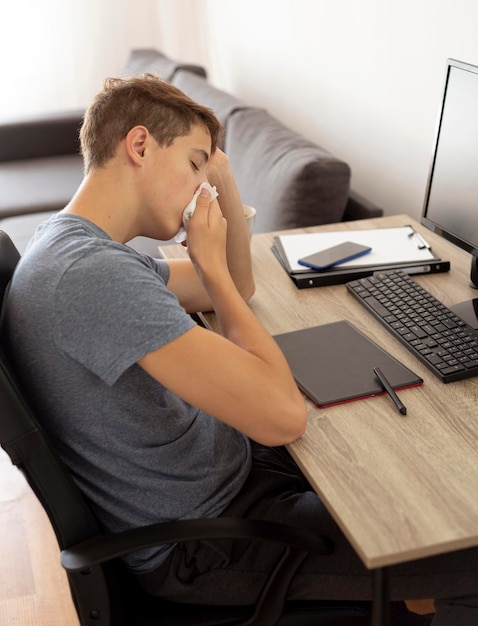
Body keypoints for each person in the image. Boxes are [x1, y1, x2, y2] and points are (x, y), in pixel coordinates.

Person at [2, 74, 478, 625]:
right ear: (139, 145)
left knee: (405, 457)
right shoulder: (92, 277)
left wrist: (216, 174)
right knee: (459, 542)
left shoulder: (70, 246)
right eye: (194, 164)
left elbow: (232, 287)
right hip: (209, 540)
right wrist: (214, 270)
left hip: (218, 476)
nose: (200, 185)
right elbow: (281, 417)